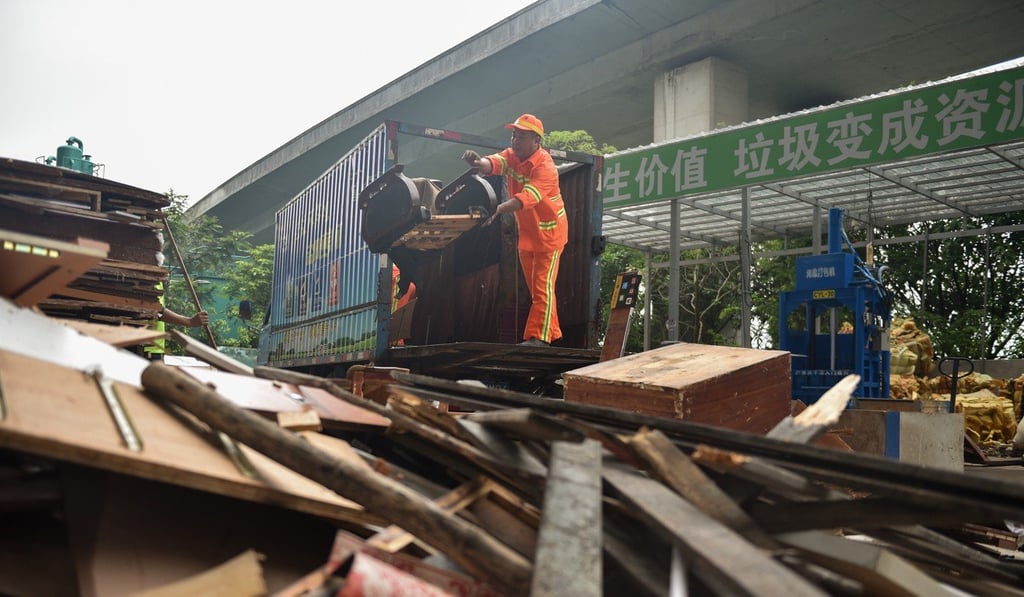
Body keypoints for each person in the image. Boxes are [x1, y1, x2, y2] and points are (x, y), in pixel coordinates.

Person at [461, 113, 567, 347]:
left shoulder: (546, 167)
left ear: (536, 142)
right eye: (514, 135)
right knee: (538, 290)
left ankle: (539, 338)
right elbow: (495, 163)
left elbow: (525, 199)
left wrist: (497, 209)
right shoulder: (513, 156)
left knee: (542, 288)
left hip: (550, 236)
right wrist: (479, 163)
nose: (515, 141)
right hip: (528, 235)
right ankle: (552, 333)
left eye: (522, 136)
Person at [144, 281, 210, 360]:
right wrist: (189, 322)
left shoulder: (156, 279)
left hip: (155, 348)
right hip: (145, 350)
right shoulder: (146, 278)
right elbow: (156, 310)